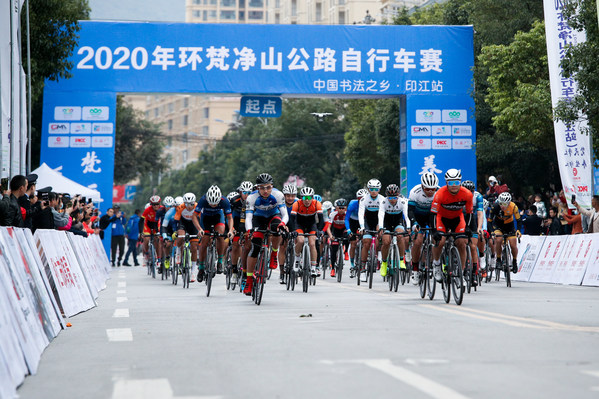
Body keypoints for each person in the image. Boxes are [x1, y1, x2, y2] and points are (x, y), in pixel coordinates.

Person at [243, 173, 288, 295]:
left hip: (274, 216)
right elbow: (248, 217)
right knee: (255, 247)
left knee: (277, 228)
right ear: (257, 188)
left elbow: (285, 214)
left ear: (272, 186)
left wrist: (283, 223)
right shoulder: (251, 198)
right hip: (258, 219)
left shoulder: (278, 195)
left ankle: (274, 253)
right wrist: (249, 230)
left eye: (268, 187)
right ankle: (249, 280)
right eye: (262, 187)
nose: (265, 190)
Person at [430, 169, 473, 282]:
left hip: (457, 219)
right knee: (441, 241)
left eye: (456, 182)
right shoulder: (439, 194)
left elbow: (469, 213)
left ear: (460, 182)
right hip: (441, 218)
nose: (454, 186)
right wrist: (434, 230)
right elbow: (433, 214)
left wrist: (468, 228)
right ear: (446, 183)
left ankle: (461, 273)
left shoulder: (467, 194)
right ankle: (437, 264)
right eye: (451, 183)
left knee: (462, 243)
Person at [192, 185, 234, 280]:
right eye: (211, 204)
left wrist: (231, 230)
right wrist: (199, 229)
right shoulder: (203, 200)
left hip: (218, 217)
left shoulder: (225, 201)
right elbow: (194, 216)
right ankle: (201, 268)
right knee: (204, 241)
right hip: (206, 218)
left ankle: (220, 261)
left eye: (215, 204)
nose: (213, 206)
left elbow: (229, 218)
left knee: (220, 236)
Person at [408, 172, 438, 284]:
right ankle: (415, 269)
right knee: (418, 241)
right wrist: (414, 223)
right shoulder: (414, 192)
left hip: (432, 216)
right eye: (427, 189)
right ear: (422, 186)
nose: (430, 191)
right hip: (418, 217)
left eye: (432, 189)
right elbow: (410, 211)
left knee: (437, 239)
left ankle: (434, 263)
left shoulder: (439, 192)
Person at [290, 186, 324, 277]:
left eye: (309, 197)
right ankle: (297, 259)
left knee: (312, 244)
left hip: (311, 225)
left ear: (312, 198)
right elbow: (292, 219)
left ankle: (313, 267)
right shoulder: (296, 204)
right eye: (305, 197)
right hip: (299, 224)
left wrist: (319, 230)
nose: (307, 200)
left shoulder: (317, 204)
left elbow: (321, 219)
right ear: (301, 198)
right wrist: (293, 230)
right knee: (300, 241)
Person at [379, 184, 410, 278]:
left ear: (398, 195)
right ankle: (384, 263)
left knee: (400, 236)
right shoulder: (383, 202)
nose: (392, 199)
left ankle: (401, 260)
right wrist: (380, 227)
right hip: (386, 222)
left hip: (398, 221)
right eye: (390, 197)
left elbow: (407, 216)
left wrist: (408, 227)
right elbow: (380, 215)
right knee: (386, 241)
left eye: (394, 197)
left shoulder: (402, 202)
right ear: (387, 196)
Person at [358, 178, 385, 276]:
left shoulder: (382, 199)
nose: (374, 191)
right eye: (372, 189)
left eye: (376, 189)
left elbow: (382, 214)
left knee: (379, 241)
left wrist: (380, 226)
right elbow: (361, 214)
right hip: (367, 222)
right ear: (368, 189)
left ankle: (380, 257)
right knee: (366, 243)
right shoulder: (364, 199)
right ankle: (362, 268)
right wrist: (362, 227)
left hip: (378, 220)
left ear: (379, 190)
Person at [489, 192, 522, 274]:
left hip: (509, 226)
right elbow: (489, 221)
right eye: (500, 203)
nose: (502, 206)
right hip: (498, 225)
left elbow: (518, 220)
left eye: (504, 204)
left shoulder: (513, 206)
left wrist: (518, 230)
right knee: (499, 239)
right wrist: (492, 232)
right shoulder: (495, 207)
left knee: (513, 245)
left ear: (509, 203)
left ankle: (514, 261)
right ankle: (498, 259)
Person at [345, 188, 368, 276]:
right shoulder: (352, 204)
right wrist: (348, 230)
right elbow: (346, 218)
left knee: (365, 240)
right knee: (353, 243)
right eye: (359, 199)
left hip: (364, 221)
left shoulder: (368, 204)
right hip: (353, 222)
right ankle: (352, 264)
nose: (361, 200)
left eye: (363, 199)